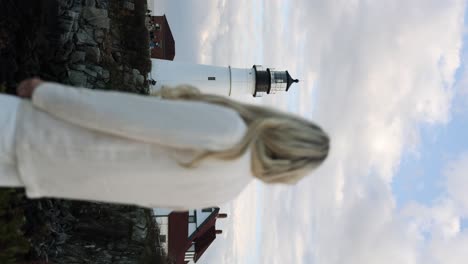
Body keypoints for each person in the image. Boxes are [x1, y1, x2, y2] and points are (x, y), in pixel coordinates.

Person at [0, 78, 329, 209]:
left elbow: (120, 114)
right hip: (36, 173)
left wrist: (47, 93)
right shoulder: (224, 193)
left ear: (287, 128)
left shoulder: (231, 132)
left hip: (34, 131)